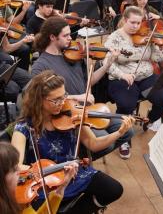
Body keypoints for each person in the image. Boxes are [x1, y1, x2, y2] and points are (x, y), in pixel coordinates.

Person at [11, 71, 130, 213]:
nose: (62, 103)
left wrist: (119, 133)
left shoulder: (71, 115)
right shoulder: (24, 127)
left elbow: (94, 144)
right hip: (46, 182)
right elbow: (15, 166)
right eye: (55, 100)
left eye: (63, 97)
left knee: (114, 189)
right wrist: (37, 171)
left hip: (75, 172)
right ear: (39, 100)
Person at [31, 17, 134, 159]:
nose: (70, 38)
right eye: (65, 35)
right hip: (69, 116)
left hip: (87, 109)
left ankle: (84, 153)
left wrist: (107, 64)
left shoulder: (74, 55)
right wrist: (77, 97)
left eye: (69, 34)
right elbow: (40, 99)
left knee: (128, 130)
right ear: (52, 37)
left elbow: (89, 81)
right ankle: (79, 157)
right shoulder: (40, 66)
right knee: (106, 144)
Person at [104, 6, 163, 126]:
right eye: (132, 22)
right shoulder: (114, 38)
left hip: (146, 76)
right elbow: (106, 63)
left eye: (138, 23)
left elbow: (157, 57)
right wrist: (122, 75)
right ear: (125, 20)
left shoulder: (146, 36)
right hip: (122, 78)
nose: (136, 26)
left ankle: (149, 120)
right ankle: (121, 132)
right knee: (127, 105)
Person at [0, 141, 78, 214]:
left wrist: (61, 188)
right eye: (13, 169)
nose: (19, 170)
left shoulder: (16, 199)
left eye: (17, 166)